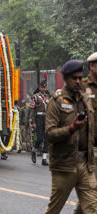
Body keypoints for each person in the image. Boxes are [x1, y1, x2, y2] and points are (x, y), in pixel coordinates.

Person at [44, 60, 97, 214]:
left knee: (92, 209)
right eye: (74, 78)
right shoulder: (56, 101)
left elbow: (91, 129)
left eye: (80, 78)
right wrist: (72, 128)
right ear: (66, 78)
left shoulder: (86, 99)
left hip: (85, 165)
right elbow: (50, 133)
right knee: (54, 209)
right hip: (64, 165)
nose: (78, 81)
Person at [73, 52, 97, 213]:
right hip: (89, 146)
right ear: (92, 66)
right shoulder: (81, 86)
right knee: (91, 190)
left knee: (90, 193)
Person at [30, 80, 50, 165]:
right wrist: (32, 122)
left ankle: (44, 159)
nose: (43, 89)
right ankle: (34, 149)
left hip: (47, 118)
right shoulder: (35, 97)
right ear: (39, 87)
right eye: (42, 87)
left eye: (44, 87)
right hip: (39, 118)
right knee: (40, 138)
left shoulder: (48, 97)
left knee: (47, 138)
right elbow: (32, 110)